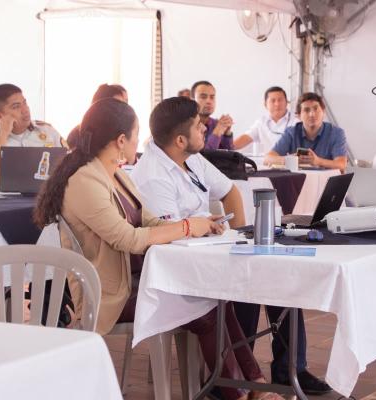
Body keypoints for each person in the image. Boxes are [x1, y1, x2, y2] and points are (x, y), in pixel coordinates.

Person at [35, 98, 280, 400]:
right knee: (205, 304)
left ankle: (250, 386)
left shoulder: (114, 172)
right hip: (109, 292)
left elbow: (148, 218)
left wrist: (196, 221)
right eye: (137, 135)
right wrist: (189, 227)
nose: (141, 142)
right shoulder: (86, 179)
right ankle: (240, 392)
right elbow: (128, 238)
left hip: (136, 279)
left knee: (215, 299)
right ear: (121, 140)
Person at [131, 96, 331, 394]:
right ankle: (239, 384)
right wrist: (205, 230)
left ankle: (290, 370)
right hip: (179, 264)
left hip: (208, 249)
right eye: (200, 127)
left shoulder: (191, 157)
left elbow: (230, 192)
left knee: (277, 272)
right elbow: (168, 237)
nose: (206, 130)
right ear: (180, 139)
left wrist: (238, 236)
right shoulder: (152, 175)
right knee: (252, 276)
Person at [0, 84, 64, 185]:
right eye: (16, 106)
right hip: (7, 200)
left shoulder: (48, 131)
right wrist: (2, 136)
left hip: (45, 197)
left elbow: (70, 169)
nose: (25, 110)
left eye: (25, 103)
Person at [264, 92, 348, 171]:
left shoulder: (336, 133)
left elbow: (341, 164)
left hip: (326, 183)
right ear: (298, 116)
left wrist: (318, 161)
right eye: (306, 110)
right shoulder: (291, 132)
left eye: (316, 109)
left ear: (323, 112)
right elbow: (268, 158)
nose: (312, 114)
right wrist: (291, 160)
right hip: (298, 182)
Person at [233, 86, 299, 154]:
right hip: (266, 162)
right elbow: (245, 138)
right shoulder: (261, 122)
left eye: (280, 100)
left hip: (289, 162)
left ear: (287, 102)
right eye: (273, 101)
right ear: (265, 104)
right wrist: (225, 148)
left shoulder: (296, 121)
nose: (277, 104)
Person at [67, 84, 129, 151]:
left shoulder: (120, 134)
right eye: (117, 104)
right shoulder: (79, 134)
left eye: (126, 102)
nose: (125, 108)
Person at [192, 81, 234, 150]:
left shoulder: (216, 124)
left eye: (212, 97)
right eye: (203, 97)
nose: (209, 101)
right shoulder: (186, 126)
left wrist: (227, 134)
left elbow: (230, 157)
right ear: (192, 100)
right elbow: (201, 157)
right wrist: (217, 132)